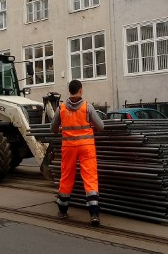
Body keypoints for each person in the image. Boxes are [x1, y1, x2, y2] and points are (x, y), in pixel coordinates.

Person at [50, 80, 105, 226]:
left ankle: (62, 211)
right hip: (86, 147)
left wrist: (63, 128)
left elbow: (53, 129)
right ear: (80, 90)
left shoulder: (61, 108)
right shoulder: (88, 107)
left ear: (70, 91)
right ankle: (94, 214)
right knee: (90, 178)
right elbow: (101, 126)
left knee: (66, 176)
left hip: (68, 147)